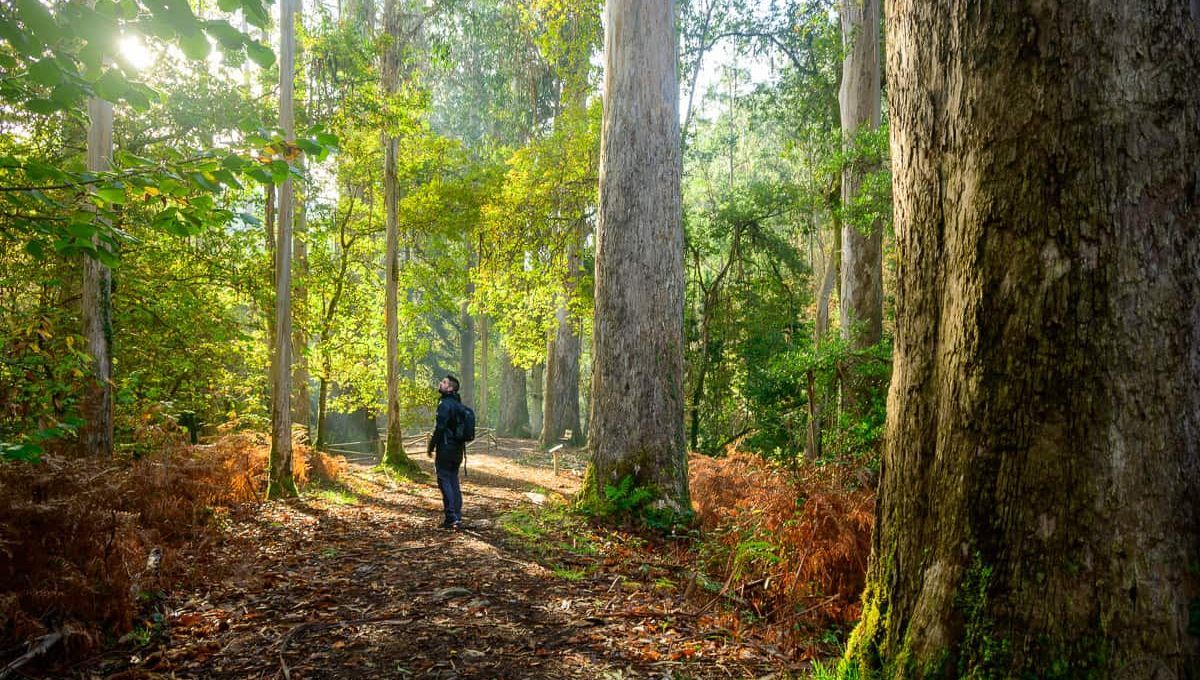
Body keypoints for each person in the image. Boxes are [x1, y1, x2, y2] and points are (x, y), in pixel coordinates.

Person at [427, 374, 466, 530]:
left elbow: (440, 428)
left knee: (444, 480)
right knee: (453, 480)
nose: (440, 383)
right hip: (458, 450)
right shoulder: (459, 405)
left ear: (450, 388)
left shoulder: (444, 404)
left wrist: (431, 446)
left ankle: (451, 517)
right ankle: (457, 515)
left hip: (445, 448)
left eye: (444, 382)